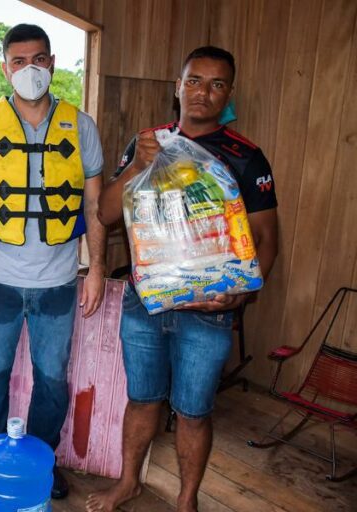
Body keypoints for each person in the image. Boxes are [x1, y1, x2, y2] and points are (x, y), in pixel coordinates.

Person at [87, 46, 279, 512]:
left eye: (216, 84)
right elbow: (106, 212)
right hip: (145, 303)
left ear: (227, 94)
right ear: (178, 86)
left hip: (210, 311)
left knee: (193, 411)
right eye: (194, 80)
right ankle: (129, 482)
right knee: (142, 399)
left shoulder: (246, 157)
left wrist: (240, 295)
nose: (203, 92)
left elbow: (266, 239)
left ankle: (187, 500)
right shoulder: (148, 143)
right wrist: (135, 165)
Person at [0, 23, 106, 500]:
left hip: (59, 282)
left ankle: (41, 459)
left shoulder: (81, 126)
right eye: (18, 62)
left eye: (38, 60)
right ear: (5, 68)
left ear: (52, 63)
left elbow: (94, 208)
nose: (29, 70)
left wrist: (96, 268)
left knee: (53, 379)